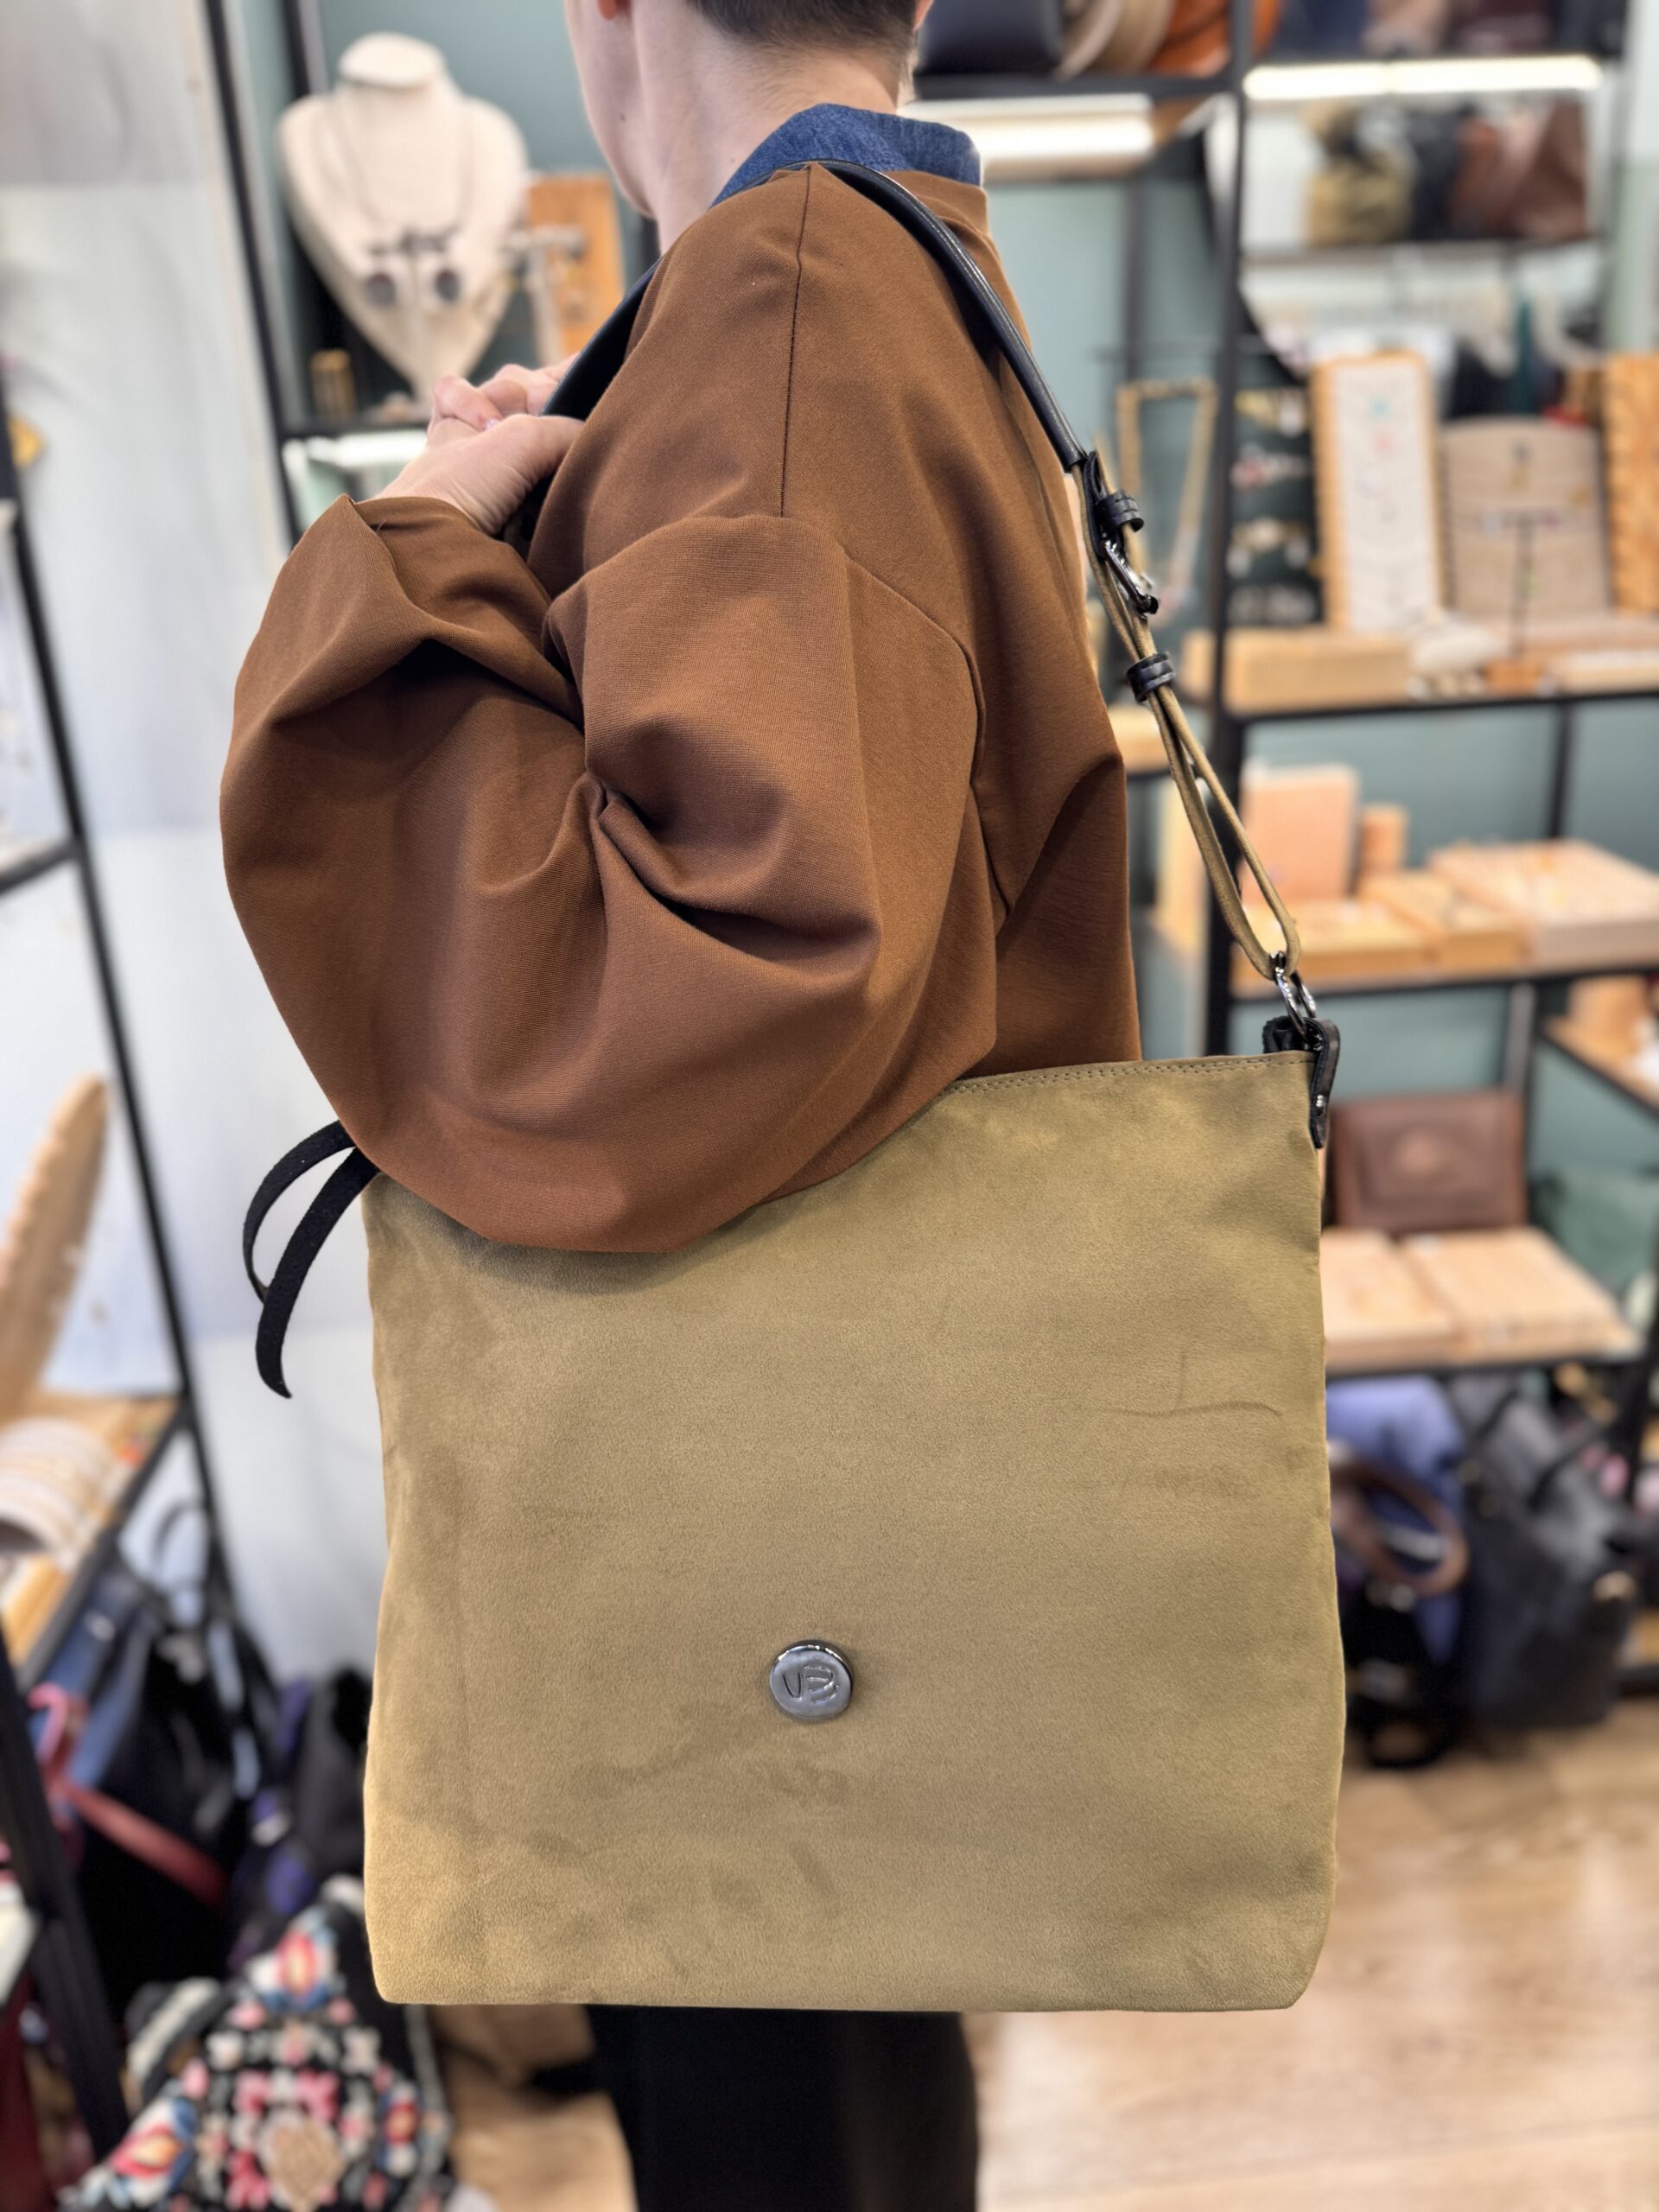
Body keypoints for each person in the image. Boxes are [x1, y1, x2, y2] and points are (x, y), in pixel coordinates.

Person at [224, 0, 1139, 2203]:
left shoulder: (783, 297)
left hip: (733, 1506)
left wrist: (414, 554)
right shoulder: (887, 256)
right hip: (833, 1455)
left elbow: (683, 1013)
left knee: (771, 2073)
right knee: (837, 2046)